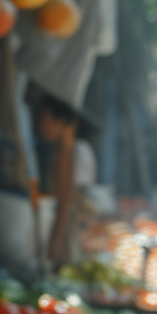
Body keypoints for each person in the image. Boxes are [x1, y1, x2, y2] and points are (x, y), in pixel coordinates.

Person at [35, 93, 98, 266]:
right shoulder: (63, 150)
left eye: (44, 118)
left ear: (60, 122)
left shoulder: (75, 152)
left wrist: (56, 241)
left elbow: (68, 200)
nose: (40, 124)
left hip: (67, 234)